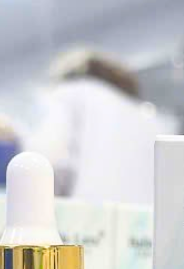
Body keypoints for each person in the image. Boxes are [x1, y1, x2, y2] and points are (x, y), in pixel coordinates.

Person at [25, 49, 172, 206]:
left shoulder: (72, 93)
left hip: (85, 215)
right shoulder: (156, 121)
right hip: (145, 218)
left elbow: (42, 162)